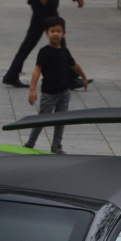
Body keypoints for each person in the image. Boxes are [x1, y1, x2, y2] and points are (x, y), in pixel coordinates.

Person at [2, 0, 84, 87]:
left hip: (48, 2)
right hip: (43, 4)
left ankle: (11, 74)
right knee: (59, 37)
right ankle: (70, 77)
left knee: (30, 40)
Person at [24, 15, 88, 153]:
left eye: (58, 31)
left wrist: (83, 76)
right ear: (47, 33)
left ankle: (56, 145)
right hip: (49, 93)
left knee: (61, 119)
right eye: (52, 31)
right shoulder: (44, 51)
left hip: (64, 92)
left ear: (63, 33)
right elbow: (37, 70)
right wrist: (32, 89)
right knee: (42, 119)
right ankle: (30, 143)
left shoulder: (65, 51)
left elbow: (74, 65)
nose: (55, 34)